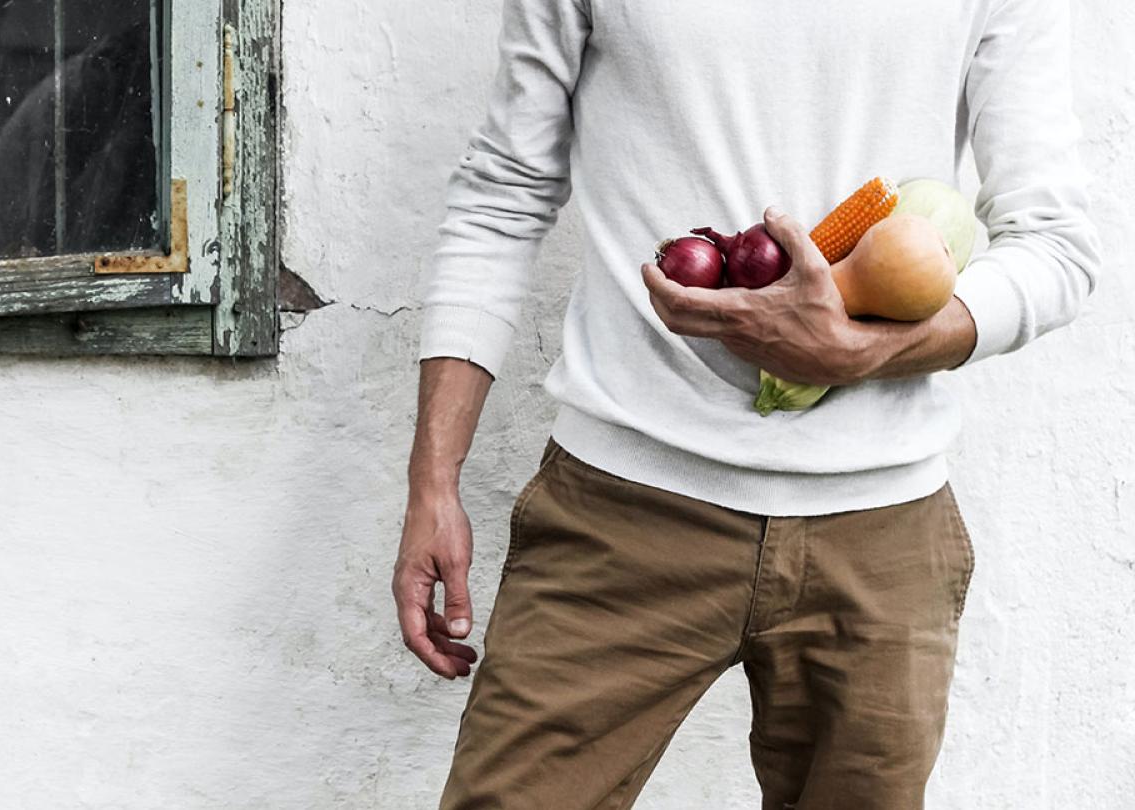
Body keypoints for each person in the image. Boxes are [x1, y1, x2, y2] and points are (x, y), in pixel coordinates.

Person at [391, 0, 1102, 807]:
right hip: (621, 514)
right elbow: (502, 195)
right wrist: (432, 482)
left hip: (881, 537)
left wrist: (864, 352)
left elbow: (1054, 243)